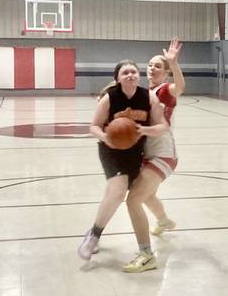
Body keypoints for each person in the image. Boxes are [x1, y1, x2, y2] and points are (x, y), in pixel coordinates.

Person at [78, 60, 168, 266]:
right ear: (117, 78)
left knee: (118, 193)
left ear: (138, 76)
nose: (130, 75)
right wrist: (105, 137)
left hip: (135, 152)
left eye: (133, 71)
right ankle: (94, 236)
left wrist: (145, 130)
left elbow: (162, 126)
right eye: (125, 72)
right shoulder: (109, 98)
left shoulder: (149, 97)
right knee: (118, 190)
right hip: (110, 149)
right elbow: (93, 126)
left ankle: (163, 220)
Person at [124, 39, 184, 272]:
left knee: (133, 199)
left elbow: (179, 87)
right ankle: (164, 221)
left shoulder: (165, 90)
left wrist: (174, 63)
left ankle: (146, 255)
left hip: (163, 153)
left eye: (158, 66)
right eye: (150, 65)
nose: (152, 68)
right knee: (147, 195)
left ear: (166, 73)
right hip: (147, 153)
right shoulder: (144, 93)